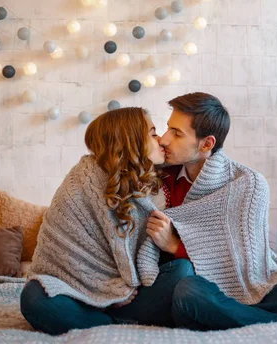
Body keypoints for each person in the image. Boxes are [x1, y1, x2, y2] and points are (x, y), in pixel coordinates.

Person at [137, 93, 277, 331]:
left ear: (206, 144)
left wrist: (176, 247)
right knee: (188, 291)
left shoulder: (247, 184)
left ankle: (251, 316)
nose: (163, 140)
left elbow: (247, 266)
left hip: (250, 288)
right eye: (167, 128)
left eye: (177, 133)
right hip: (203, 291)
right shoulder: (156, 179)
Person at [20, 108, 194, 335]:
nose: (161, 139)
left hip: (134, 294)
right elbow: (65, 257)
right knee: (33, 296)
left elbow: (149, 257)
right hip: (82, 294)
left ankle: (101, 325)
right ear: (130, 141)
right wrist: (109, 291)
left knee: (182, 270)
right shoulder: (82, 183)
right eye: (152, 133)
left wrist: (126, 287)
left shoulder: (158, 182)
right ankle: (117, 328)